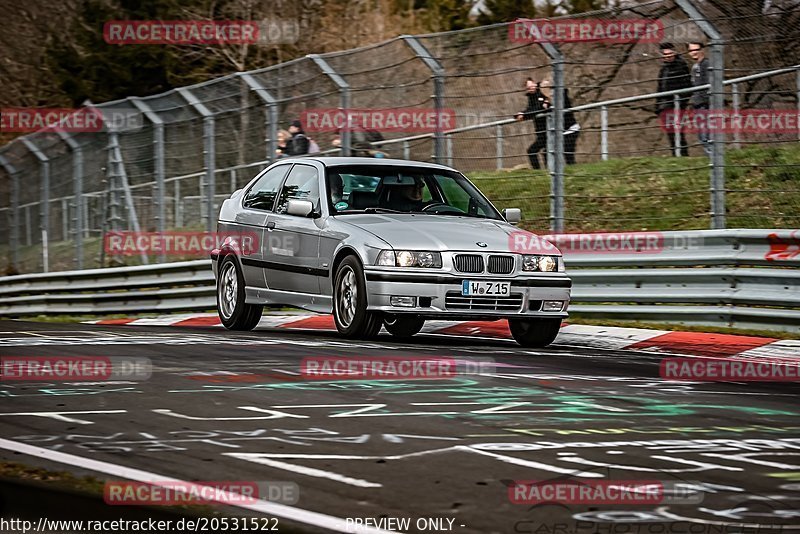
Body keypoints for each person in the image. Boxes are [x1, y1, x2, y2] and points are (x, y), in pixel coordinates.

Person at [655, 42, 691, 157]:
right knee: (670, 131)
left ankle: (682, 154)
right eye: (665, 54)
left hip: (676, 103)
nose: (668, 56)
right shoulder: (663, 69)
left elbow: (687, 86)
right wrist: (658, 106)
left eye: (670, 54)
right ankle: (675, 154)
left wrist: (681, 102)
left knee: (677, 130)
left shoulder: (681, 66)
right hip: (665, 105)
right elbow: (660, 88)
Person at [539, 79, 581, 165]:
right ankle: (550, 172)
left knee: (568, 152)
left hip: (570, 129)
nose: (544, 90)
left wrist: (549, 99)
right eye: (542, 88)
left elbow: (563, 100)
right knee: (547, 152)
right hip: (559, 131)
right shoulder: (544, 100)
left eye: (546, 87)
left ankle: (572, 170)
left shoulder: (561, 94)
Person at [515, 78, 550, 170]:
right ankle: (537, 172)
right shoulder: (531, 97)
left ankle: (549, 171)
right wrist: (521, 114)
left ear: (534, 83)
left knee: (547, 152)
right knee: (532, 151)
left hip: (550, 128)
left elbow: (539, 108)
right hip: (541, 131)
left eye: (531, 86)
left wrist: (525, 114)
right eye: (528, 88)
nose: (531, 88)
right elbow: (531, 110)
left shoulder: (543, 90)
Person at [688, 42, 712, 157]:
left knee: (706, 133)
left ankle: (713, 159)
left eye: (695, 49)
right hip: (697, 104)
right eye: (691, 50)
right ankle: (710, 158)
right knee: (701, 134)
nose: (693, 52)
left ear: (702, 49)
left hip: (705, 104)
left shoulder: (706, 64)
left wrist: (706, 100)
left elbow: (709, 84)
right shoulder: (694, 67)